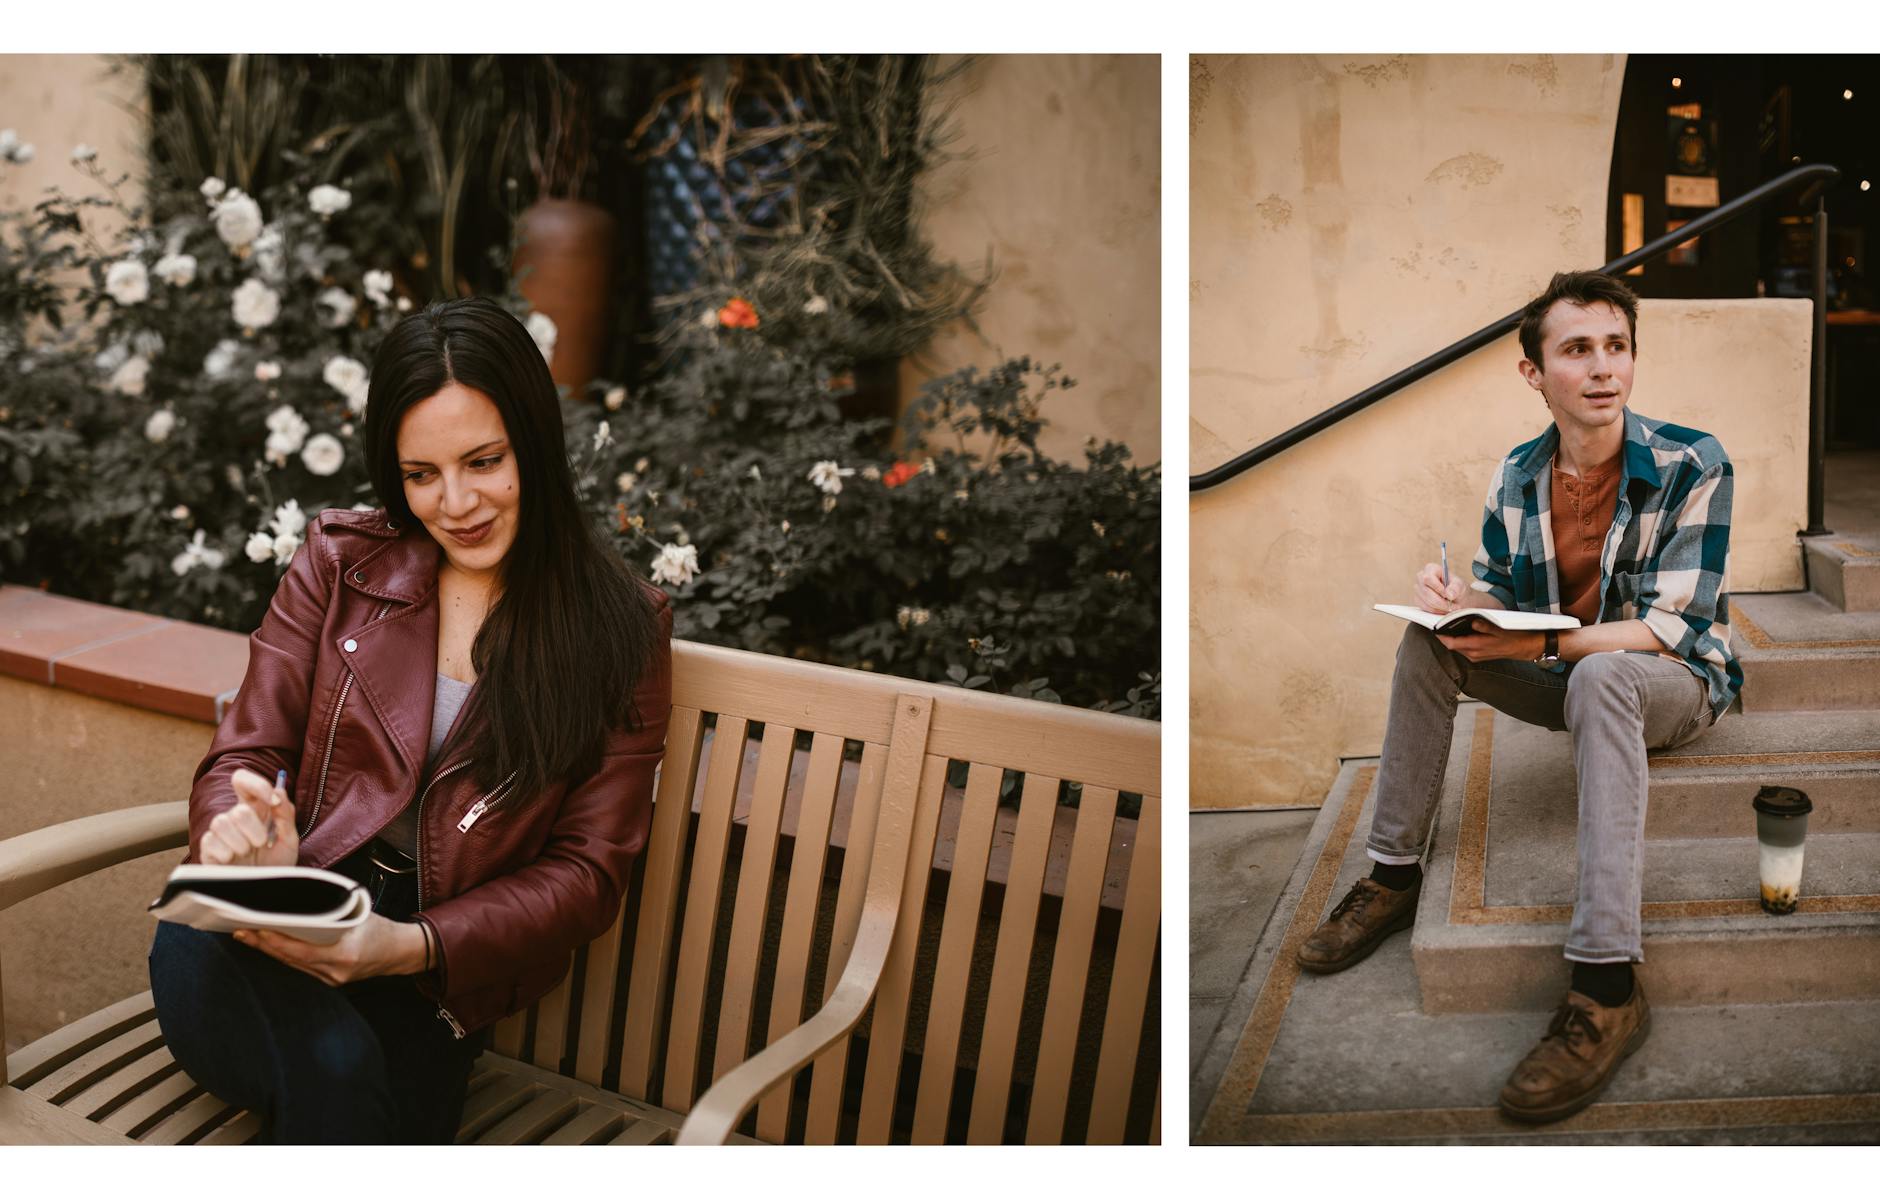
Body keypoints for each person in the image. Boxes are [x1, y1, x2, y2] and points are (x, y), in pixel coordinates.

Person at [148, 297, 673, 1143]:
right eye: (422, 474)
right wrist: (240, 838)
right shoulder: (339, 563)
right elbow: (245, 750)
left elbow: (587, 872)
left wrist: (407, 945)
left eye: (484, 461)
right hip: (276, 913)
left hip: (428, 966)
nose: (456, 501)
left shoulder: (621, 630)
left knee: (353, 1075)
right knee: (334, 1061)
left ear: (535, 441)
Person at [1294, 270, 1740, 1123]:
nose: (1603, 367)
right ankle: (1391, 875)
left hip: (1670, 684)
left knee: (1605, 673)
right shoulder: (1519, 472)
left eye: (1617, 346)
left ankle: (1606, 985)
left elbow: (1670, 629)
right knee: (1428, 641)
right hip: (1568, 674)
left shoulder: (1694, 461)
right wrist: (1459, 599)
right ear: (1533, 373)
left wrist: (1536, 644)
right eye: (1578, 349)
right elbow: (1506, 593)